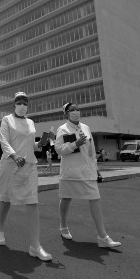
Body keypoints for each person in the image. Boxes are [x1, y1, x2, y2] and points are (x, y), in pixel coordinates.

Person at [55, 102, 121, 249]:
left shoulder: (86, 128)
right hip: (71, 172)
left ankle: (102, 236)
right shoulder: (63, 129)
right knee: (65, 198)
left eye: (78, 109)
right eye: (72, 110)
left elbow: (91, 151)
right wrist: (75, 144)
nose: (76, 112)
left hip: (87, 172)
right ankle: (63, 226)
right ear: (66, 114)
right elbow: (59, 149)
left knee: (95, 199)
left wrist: (96, 169)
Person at [0, 91, 52, 261]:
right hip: (10, 164)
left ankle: (35, 246)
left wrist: (40, 143)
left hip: (29, 165)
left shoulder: (30, 122)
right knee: (5, 199)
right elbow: (4, 141)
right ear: (14, 104)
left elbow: (29, 145)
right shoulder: (7, 120)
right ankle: (0, 229)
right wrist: (14, 155)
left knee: (32, 201)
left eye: (25, 102)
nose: (22, 105)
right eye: (19, 102)